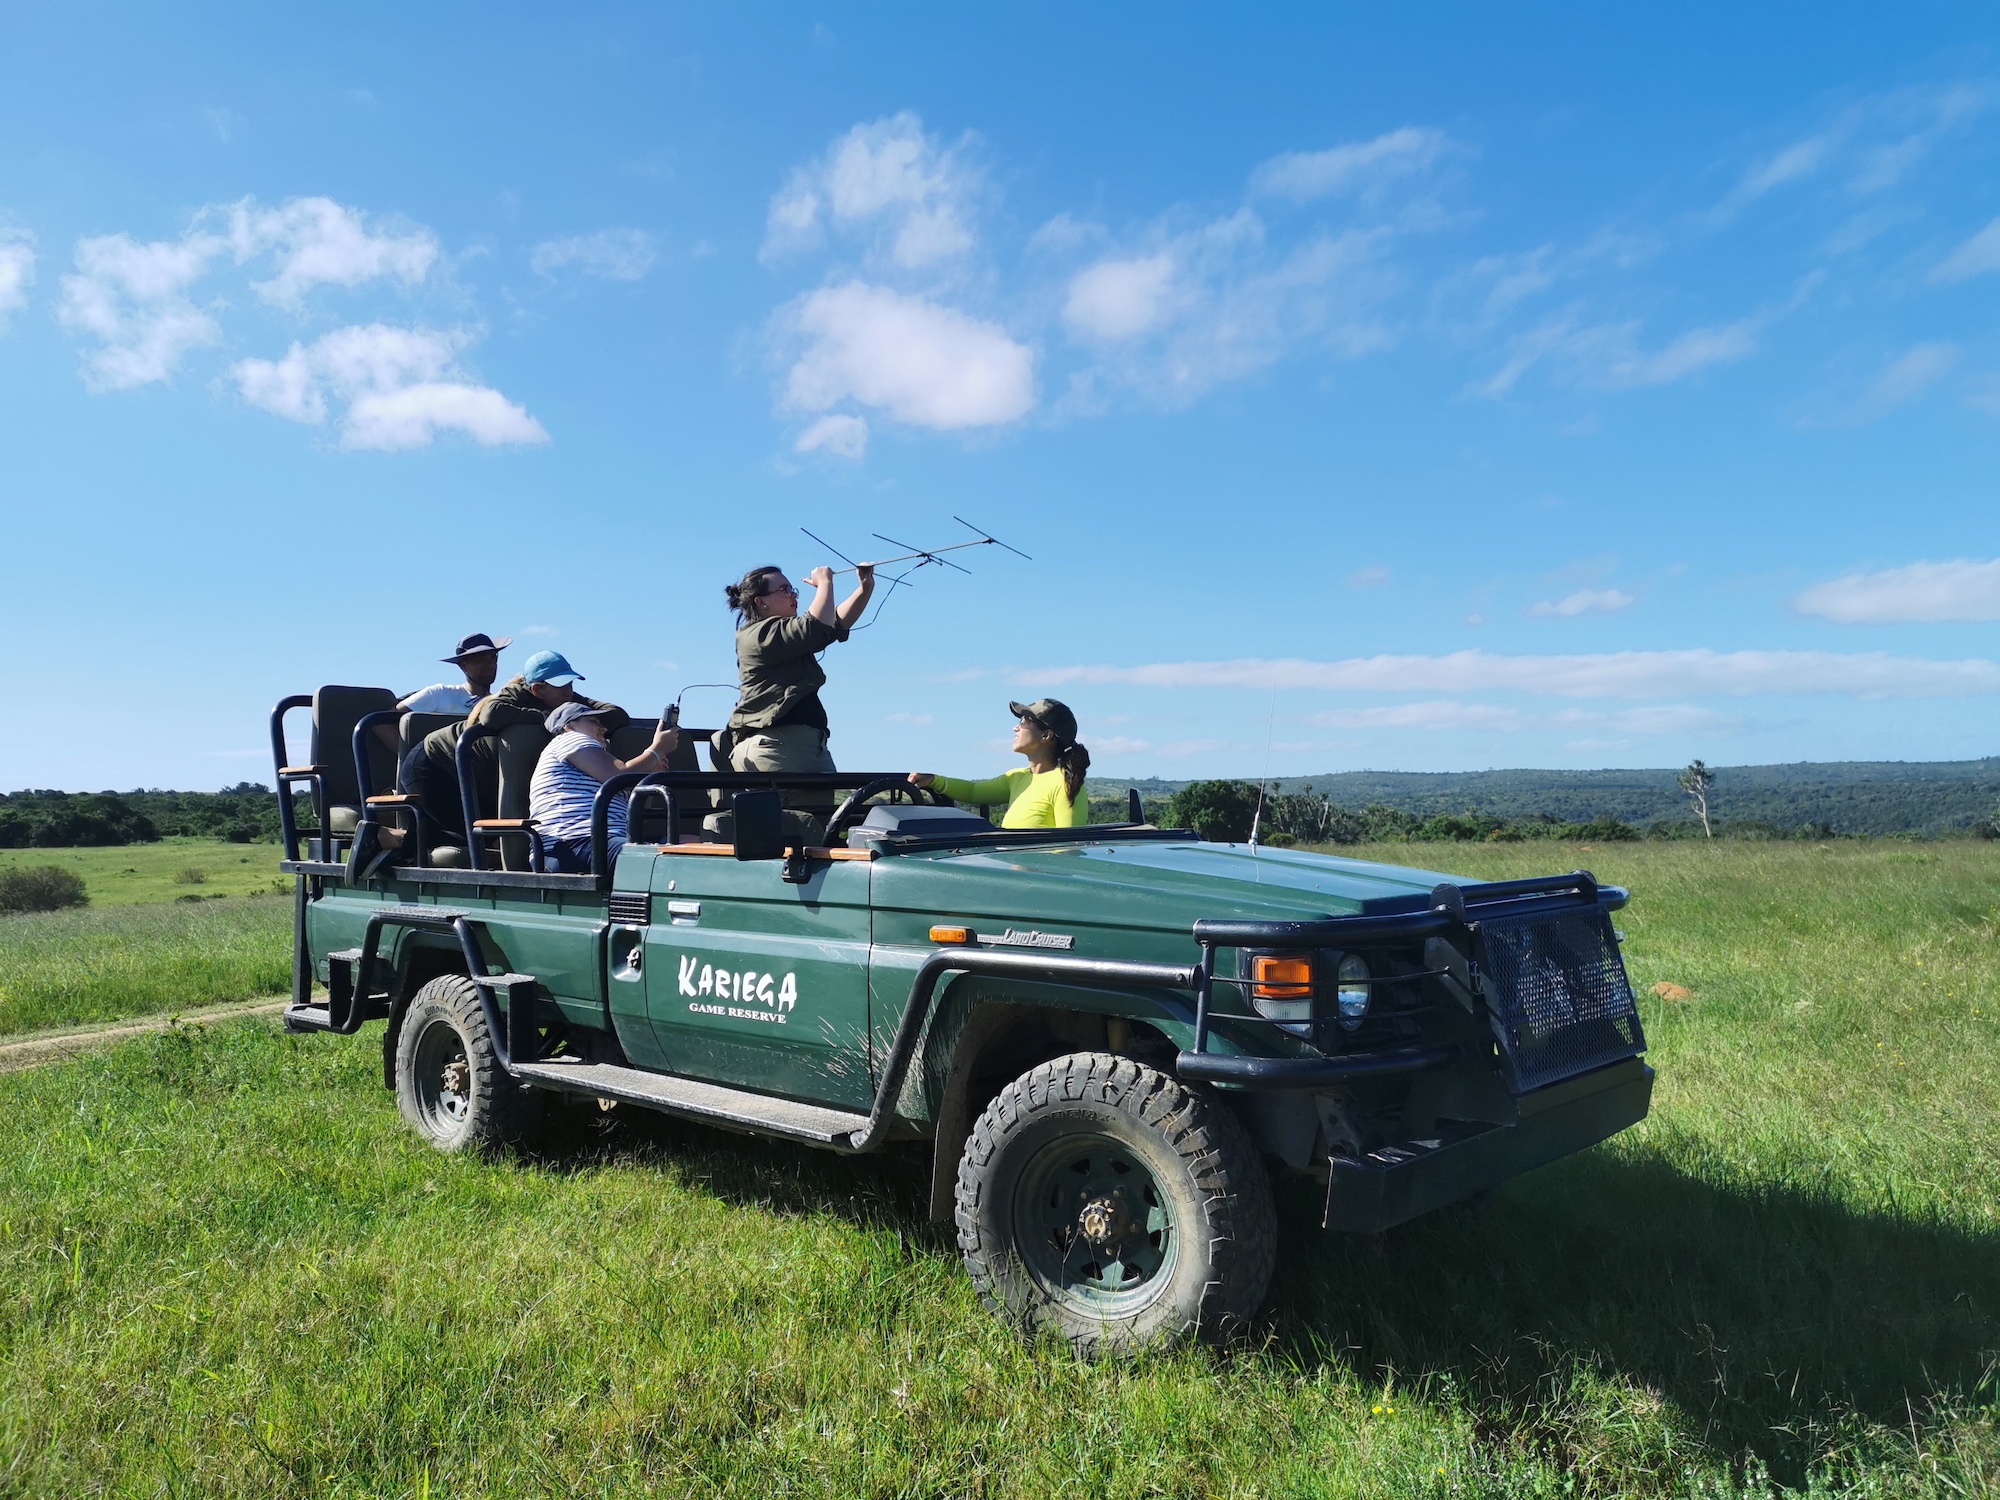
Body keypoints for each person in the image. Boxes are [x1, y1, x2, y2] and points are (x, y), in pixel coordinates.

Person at [399, 649, 631, 847]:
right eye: (560, 685)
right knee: (472, 838)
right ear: (537, 690)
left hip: (473, 773)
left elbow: (616, 714)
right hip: (432, 767)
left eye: (569, 683)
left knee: (485, 836)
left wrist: (584, 718)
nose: (567, 691)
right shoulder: (517, 694)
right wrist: (547, 718)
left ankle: (397, 839)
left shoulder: (566, 699)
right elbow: (491, 714)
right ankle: (390, 839)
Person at [720, 562, 875, 779]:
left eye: (792, 589)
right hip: (778, 747)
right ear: (761, 602)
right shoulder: (757, 634)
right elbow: (814, 627)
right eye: (784, 590)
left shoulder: (786, 638)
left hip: (793, 747)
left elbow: (833, 622)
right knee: (798, 813)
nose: (793, 596)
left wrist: (864, 589)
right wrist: (825, 583)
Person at [528, 700, 679, 873]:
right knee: (664, 860)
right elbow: (617, 775)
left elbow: (634, 807)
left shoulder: (593, 761)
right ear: (569, 726)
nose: (603, 729)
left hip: (604, 842)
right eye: (594, 722)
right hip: (569, 844)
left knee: (690, 844)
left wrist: (652, 775)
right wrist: (656, 750)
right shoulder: (568, 739)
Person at [909, 699, 1092, 828]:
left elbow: (1069, 849)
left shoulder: (1066, 782)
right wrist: (932, 780)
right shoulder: (1016, 778)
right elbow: (974, 791)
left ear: (1046, 735)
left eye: (1025, 721)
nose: (1016, 727)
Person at [399, 632, 510, 714]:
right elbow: (386, 720)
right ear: (463, 666)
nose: (489, 664)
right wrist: (406, 746)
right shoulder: (439, 694)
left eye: (493, 658)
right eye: (480, 660)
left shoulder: (501, 704)